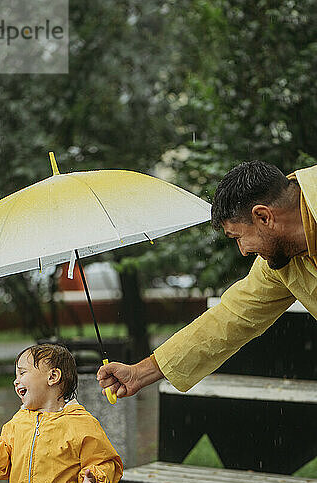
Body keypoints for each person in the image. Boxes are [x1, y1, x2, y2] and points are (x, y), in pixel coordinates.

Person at [97, 160, 317, 397]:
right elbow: (229, 319)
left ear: (263, 217)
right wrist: (141, 373)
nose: (243, 251)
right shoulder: (281, 262)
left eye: (238, 237)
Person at [0, 343, 123, 483]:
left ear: (53, 377)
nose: (16, 381)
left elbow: (106, 462)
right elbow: (4, 465)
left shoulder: (82, 424)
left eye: (22, 372)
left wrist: (94, 478)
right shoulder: (18, 422)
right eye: (16, 375)